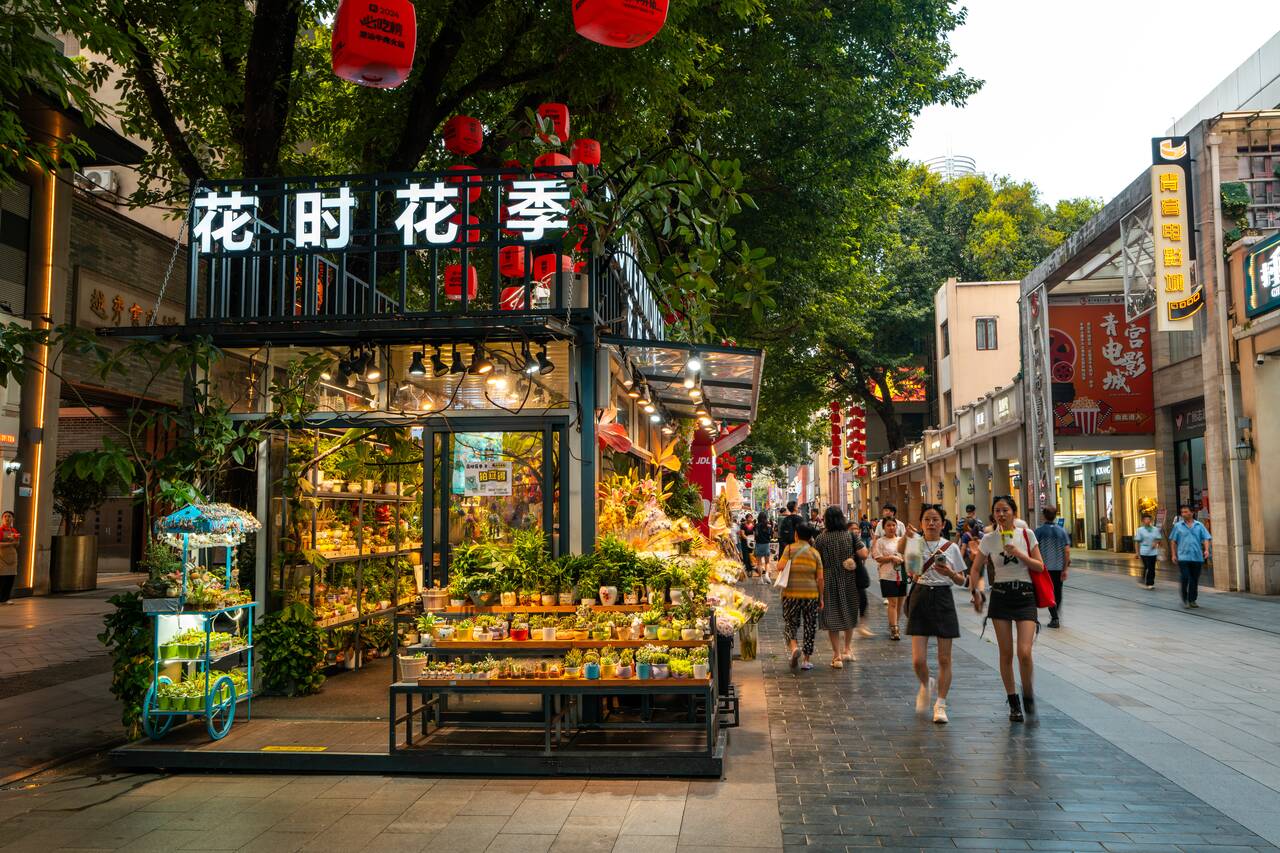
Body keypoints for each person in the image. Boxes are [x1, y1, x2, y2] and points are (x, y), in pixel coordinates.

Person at [970, 495, 1045, 723]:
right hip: (1001, 596)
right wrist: (977, 592)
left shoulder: (1026, 535)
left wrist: (1020, 553)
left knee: (1024, 652)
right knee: (1005, 653)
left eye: (1005, 510)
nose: (1001, 514)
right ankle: (1013, 702)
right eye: (997, 511)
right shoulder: (989, 540)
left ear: (1014, 512)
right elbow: (975, 570)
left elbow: (1040, 567)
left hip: (1025, 595)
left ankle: (1028, 692)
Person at [897, 504, 967, 724]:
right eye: (927, 519)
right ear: (921, 523)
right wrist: (908, 539)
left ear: (943, 524)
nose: (931, 523)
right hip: (920, 595)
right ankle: (926, 684)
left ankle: (941, 704)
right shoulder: (916, 544)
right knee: (918, 660)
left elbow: (962, 580)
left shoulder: (951, 547)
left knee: (944, 658)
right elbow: (905, 558)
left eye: (936, 519)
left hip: (944, 597)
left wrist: (950, 572)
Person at [814, 506, 871, 667]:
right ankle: (847, 649)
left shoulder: (821, 539)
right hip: (848, 579)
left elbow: (815, 560)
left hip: (828, 579)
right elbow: (864, 554)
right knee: (849, 613)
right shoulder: (850, 536)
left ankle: (836, 655)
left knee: (832, 615)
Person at [779, 523, 823, 672]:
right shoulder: (815, 553)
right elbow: (820, 579)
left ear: (796, 534)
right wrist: (821, 598)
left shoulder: (789, 549)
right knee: (810, 627)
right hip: (811, 595)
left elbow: (780, 567)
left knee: (791, 623)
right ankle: (806, 661)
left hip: (791, 594)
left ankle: (794, 648)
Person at [1035, 506, 1072, 629]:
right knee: (1058, 591)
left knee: (1048, 592)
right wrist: (1065, 568)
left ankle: (1054, 617)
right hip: (1058, 567)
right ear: (1055, 515)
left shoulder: (1039, 531)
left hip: (1044, 568)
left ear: (1044, 516)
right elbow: (1067, 551)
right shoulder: (1062, 531)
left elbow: (1034, 549)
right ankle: (1056, 614)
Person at [1169, 504, 1212, 608]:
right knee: (1185, 577)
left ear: (1192, 513)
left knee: (1194, 579)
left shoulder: (1199, 525)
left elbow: (1206, 538)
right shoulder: (1178, 526)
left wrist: (1206, 550)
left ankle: (1192, 599)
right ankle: (1185, 599)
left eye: (1186, 512)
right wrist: (1173, 554)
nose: (1183, 514)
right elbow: (1173, 541)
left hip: (1197, 557)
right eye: (1182, 512)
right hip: (1183, 557)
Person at [871, 516, 906, 640]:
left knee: (900, 603)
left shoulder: (901, 540)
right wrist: (891, 558)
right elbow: (877, 557)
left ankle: (893, 622)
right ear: (884, 528)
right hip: (887, 575)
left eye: (893, 525)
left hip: (902, 574)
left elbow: (909, 555)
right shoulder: (880, 541)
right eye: (888, 525)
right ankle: (894, 629)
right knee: (893, 603)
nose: (891, 528)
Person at [1134, 512, 1163, 589]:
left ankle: (1150, 583)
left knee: (1152, 568)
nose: (1147, 520)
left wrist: (1155, 543)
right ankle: (1143, 578)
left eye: (1149, 519)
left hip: (1153, 552)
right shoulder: (1140, 530)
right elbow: (1137, 542)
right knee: (1146, 566)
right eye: (1146, 519)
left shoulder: (1155, 529)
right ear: (1142, 521)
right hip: (1144, 551)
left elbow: (1158, 539)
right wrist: (1137, 553)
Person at [0, 511, 18, 605]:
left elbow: (16, 545)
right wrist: (9, 543)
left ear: (12, 519)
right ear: (2, 519)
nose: (7, 518)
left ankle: (6, 598)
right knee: (2, 579)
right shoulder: (0, 530)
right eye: (5, 516)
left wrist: (16, 541)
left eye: (9, 516)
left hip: (13, 557)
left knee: (10, 578)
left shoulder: (14, 531)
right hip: (2, 557)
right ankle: (1, 598)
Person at [754, 509, 774, 579]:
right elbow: (771, 535)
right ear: (766, 517)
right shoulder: (768, 525)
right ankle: (766, 576)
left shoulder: (756, 526)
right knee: (767, 562)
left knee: (759, 563)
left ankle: (761, 579)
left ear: (758, 518)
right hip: (766, 545)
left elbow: (755, 535)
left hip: (758, 544)